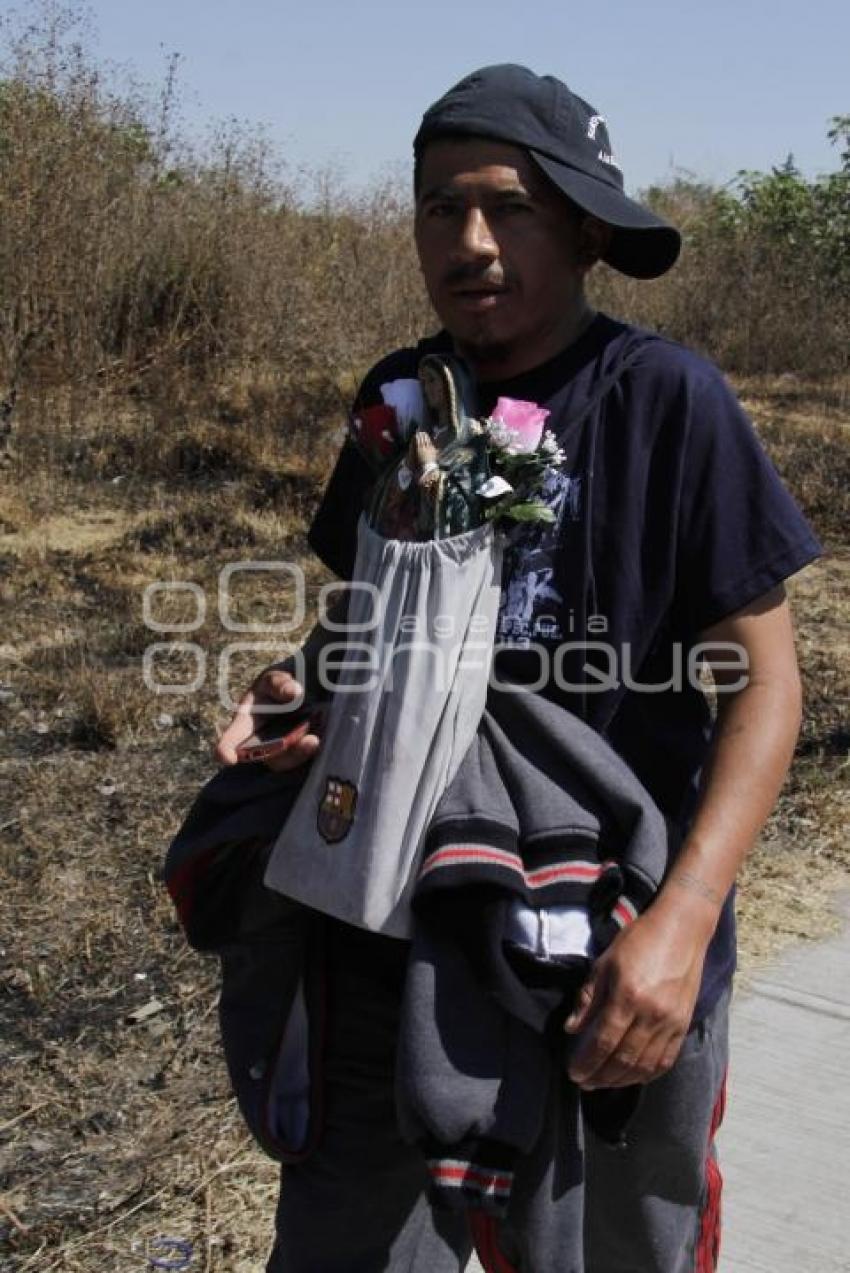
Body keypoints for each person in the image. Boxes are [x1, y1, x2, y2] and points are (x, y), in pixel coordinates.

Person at [215, 64, 820, 1273]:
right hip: (391, 917)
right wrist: (300, 694)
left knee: (615, 1249)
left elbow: (765, 684)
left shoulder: (664, 403)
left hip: (606, 941)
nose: (470, 240)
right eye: (440, 206)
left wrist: (679, 929)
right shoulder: (400, 398)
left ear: (586, 228)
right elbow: (363, 622)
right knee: (353, 1240)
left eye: (510, 207)